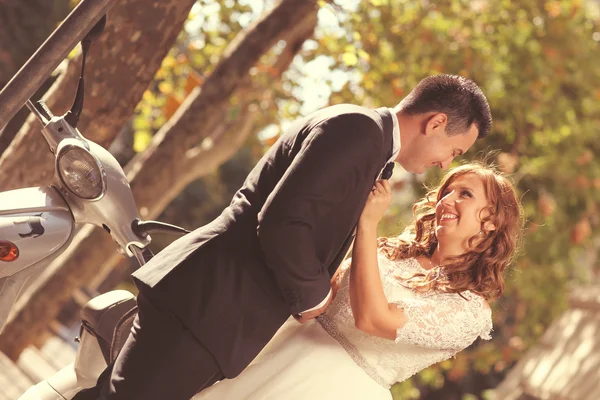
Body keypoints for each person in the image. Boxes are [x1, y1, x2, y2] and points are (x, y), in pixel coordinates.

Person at [74, 74, 493, 399]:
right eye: (453, 152)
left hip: (220, 312)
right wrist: (315, 297)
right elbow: (283, 223)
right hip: (209, 303)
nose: (444, 165)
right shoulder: (359, 131)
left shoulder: (369, 143)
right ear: (435, 122)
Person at [193, 163, 524, 399]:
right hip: (281, 346)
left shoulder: (469, 312)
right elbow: (325, 291)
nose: (446, 201)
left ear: (492, 222)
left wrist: (368, 224)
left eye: (464, 194)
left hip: (332, 389)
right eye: (446, 191)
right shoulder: (394, 252)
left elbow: (372, 319)